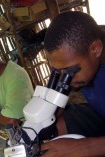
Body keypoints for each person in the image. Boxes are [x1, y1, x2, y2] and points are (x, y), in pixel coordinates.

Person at [41, 11, 105, 156]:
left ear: (96, 49)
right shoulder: (84, 43)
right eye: (58, 71)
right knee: (55, 125)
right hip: (100, 114)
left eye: (70, 70)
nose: (67, 78)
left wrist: (86, 147)